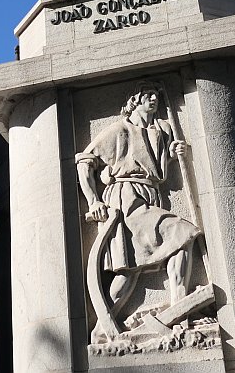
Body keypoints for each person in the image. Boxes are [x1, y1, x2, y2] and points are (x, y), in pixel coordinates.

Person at [75, 84, 198, 340]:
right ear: (134, 100)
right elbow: (85, 162)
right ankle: (180, 315)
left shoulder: (161, 129)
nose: (153, 99)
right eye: (147, 96)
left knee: (130, 271)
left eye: (156, 95)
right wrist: (93, 201)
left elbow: (157, 166)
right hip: (126, 198)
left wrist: (175, 155)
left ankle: (102, 329)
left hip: (150, 195)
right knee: (181, 233)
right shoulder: (119, 129)